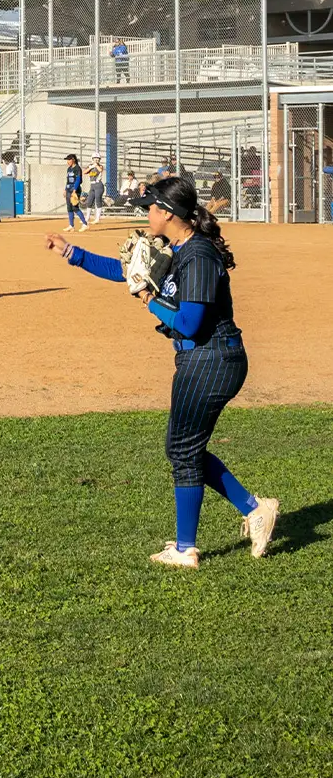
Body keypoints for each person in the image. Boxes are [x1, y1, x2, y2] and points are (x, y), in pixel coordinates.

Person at [45, 175, 278, 568]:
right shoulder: (177, 248)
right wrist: (73, 253)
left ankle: (188, 548)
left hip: (212, 359)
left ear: (168, 213)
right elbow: (127, 271)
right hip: (201, 360)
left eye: (151, 208)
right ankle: (254, 509)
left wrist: (149, 299)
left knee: (183, 450)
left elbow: (189, 322)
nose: (147, 214)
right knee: (182, 448)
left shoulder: (199, 255)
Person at [64, 154, 88, 229]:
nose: (67, 161)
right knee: (69, 208)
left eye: (69, 160)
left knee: (75, 207)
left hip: (75, 189)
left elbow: (78, 180)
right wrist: (65, 189)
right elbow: (67, 180)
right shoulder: (69, 169)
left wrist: (74, 190)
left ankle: (85, 224)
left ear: (73, 159)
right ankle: (71, 225)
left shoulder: (77, 168)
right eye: (67, 160)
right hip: (68, 189)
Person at [85, 156, 105, 223]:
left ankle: (97, 219)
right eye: (95, 158)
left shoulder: (100, 166)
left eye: (98, 159)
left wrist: (96, 165)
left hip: (98, 185)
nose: (96, 160)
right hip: (92, 186)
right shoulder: (90, 166)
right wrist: (91, 167)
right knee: (89, 201)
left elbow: (100, 170)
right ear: (92, 159)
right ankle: (87, 218)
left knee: (98, 201)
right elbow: (84, 172)